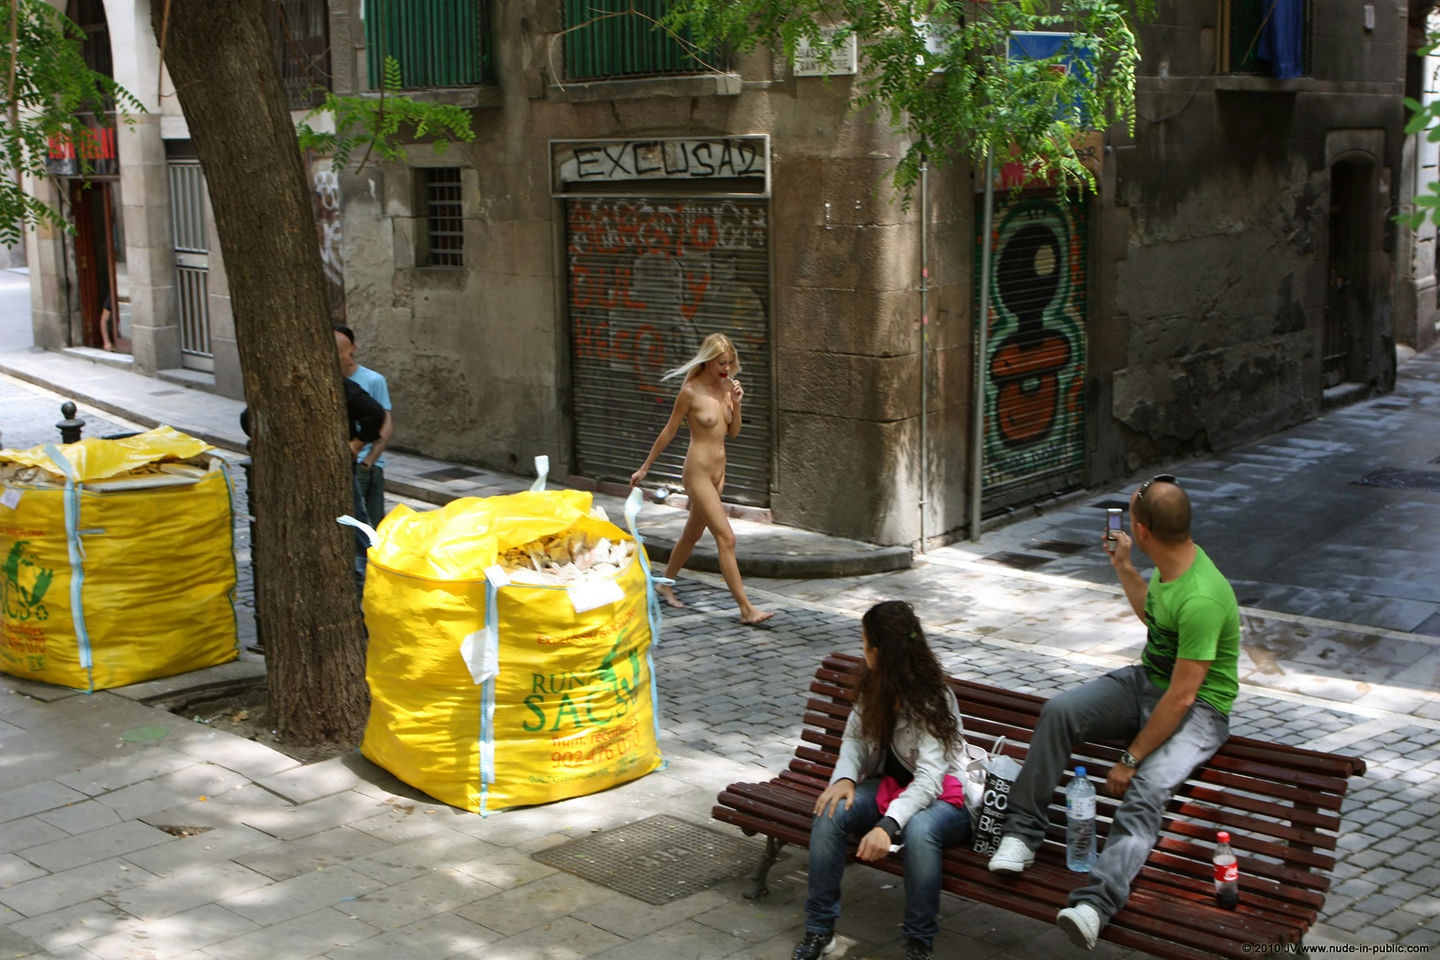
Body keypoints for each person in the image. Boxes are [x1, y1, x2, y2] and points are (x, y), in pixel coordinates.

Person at [986, 475, 1240, 951]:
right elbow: (1156, 619)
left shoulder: (1203, 596)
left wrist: (1131, 757)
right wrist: (1123, 566)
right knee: (1060, 712)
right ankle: (1021, 834)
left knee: (1146, 787)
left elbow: (1183, 697)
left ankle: (1095, 905)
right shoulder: (1172, 564)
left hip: (1200, 709)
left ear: (1142, 530)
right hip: (1147, 682)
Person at [792, 600, 983, 960]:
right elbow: (854, 739)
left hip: (947, 796)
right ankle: (819, 929)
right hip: (891, 790)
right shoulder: (875, 685)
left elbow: (930, 780)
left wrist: (887, 826)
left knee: (920, 830)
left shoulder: (933, 698)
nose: (862, 650)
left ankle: (919, 942)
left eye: (864, 642)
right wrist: (845, 779)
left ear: (878, 651)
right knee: (832, 811)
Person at [629, 332, 772, 625]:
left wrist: (737, 403)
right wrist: (645, 467)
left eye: (730, 363)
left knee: (693, 533)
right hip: (697, 473)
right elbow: (669, 431)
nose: (727, 369)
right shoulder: (690, 392)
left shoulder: (728, 388)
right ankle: (746, 609)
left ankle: (665, 582)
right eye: (721, 363)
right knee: (727, 538)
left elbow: (734, 432)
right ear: (707, 361)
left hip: (719, 472)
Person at [334, 325, 393, 532]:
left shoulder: (373, 380)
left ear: (351, 349)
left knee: (370, 526)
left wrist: (367, 461)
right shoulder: (328, 379)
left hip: (363, 464)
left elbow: (385, 422)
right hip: (341, 465)